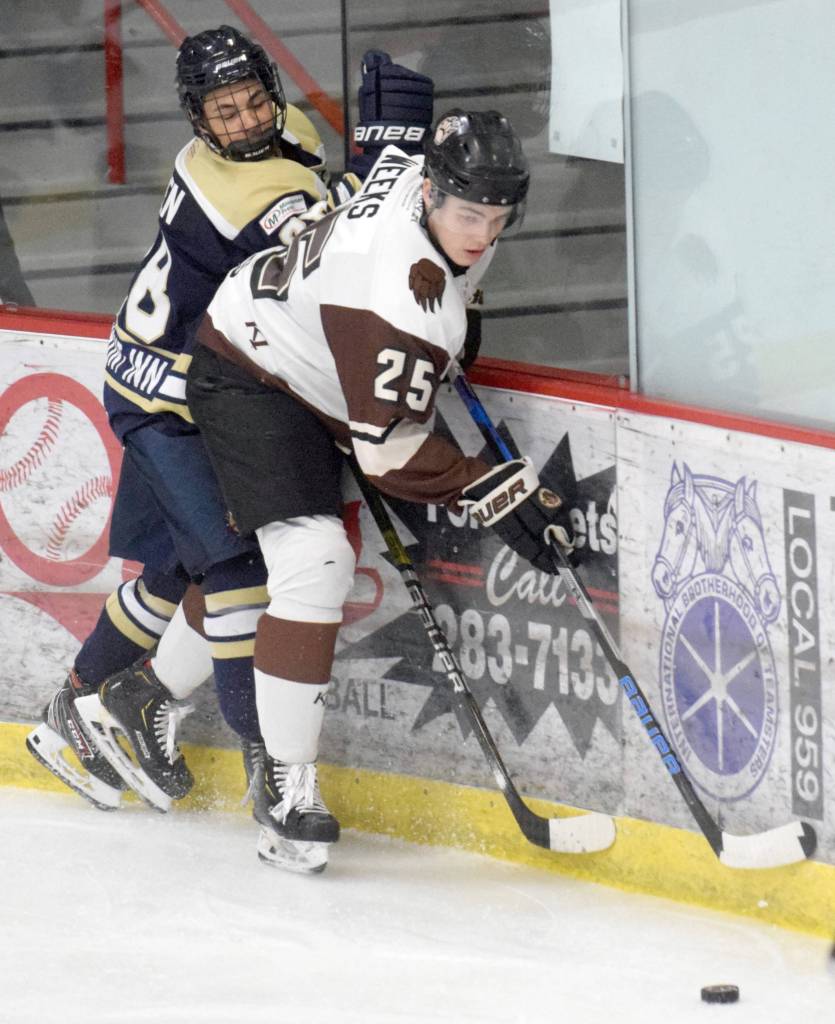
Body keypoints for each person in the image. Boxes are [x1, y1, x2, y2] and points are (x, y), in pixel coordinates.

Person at [26, 27, 433, 814]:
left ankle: (78, 705)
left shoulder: (278, 144)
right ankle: (261, 752)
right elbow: (338, 259)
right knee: (239, 568)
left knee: (182, 570)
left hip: (150, 374)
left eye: (252, 102)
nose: (245, 120)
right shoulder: (251, 194)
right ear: (196, 117)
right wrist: (389, 170)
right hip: (176, 402)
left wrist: (366, 176)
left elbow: (326, 205)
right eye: (225, 111)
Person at [185, 108, 577, 873]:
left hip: (319, 351)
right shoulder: (392, 296)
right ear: (431, 194)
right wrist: (489, 488)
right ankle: (287, 787)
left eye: (499, 218)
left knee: (283, 568)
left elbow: (392, 156)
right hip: (253, 369)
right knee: (317, 562)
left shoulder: (420, 182)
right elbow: (394, 457)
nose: (483, 234)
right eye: (468, 215)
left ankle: (143, 695)